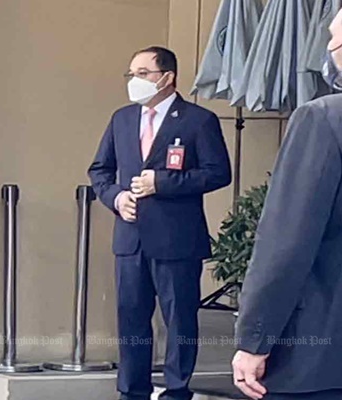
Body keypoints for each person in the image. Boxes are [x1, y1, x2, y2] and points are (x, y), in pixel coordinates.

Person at [88, 46, 232, 400]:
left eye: (143, 73)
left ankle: (177, 392)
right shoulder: (122, 119)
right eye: (131, 74)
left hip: (176, 239)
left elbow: (218, 173)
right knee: (132, 320)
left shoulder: (198, 120)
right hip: (130, 238)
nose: (134, 81)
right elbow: (100, 170)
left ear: (167, 77)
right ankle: (132, 391)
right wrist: (116, 198)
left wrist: (162, 183)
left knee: (179, 320)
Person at [232, 8, 342, 400]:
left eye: (332, 39)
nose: (327, 48)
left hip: (318, 355)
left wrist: (254, 339)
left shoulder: (323, 119)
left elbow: (287, 241)